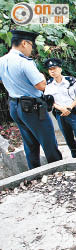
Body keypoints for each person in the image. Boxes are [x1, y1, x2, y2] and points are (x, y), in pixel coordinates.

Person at [0, 30, 62, 169]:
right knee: (48, 141)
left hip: (15, 106)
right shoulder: (24, 62)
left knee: (30, 142)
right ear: (24, 43)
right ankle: (59, 171)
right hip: (32, 108)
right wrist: (41, 75)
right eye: (31, 45)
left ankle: (34, 173)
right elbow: (41, 85)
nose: (31, 49)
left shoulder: (2, 61)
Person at [43, 58, 76, 158]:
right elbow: (49, 101)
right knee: (68, 138)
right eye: (50, 70)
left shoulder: (70, 81)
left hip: (74, 113)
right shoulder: (49, 84)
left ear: (60, 69)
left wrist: (70, 108)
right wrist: (61, 108)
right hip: (60, 114)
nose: (52, 71)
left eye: (54, 68)